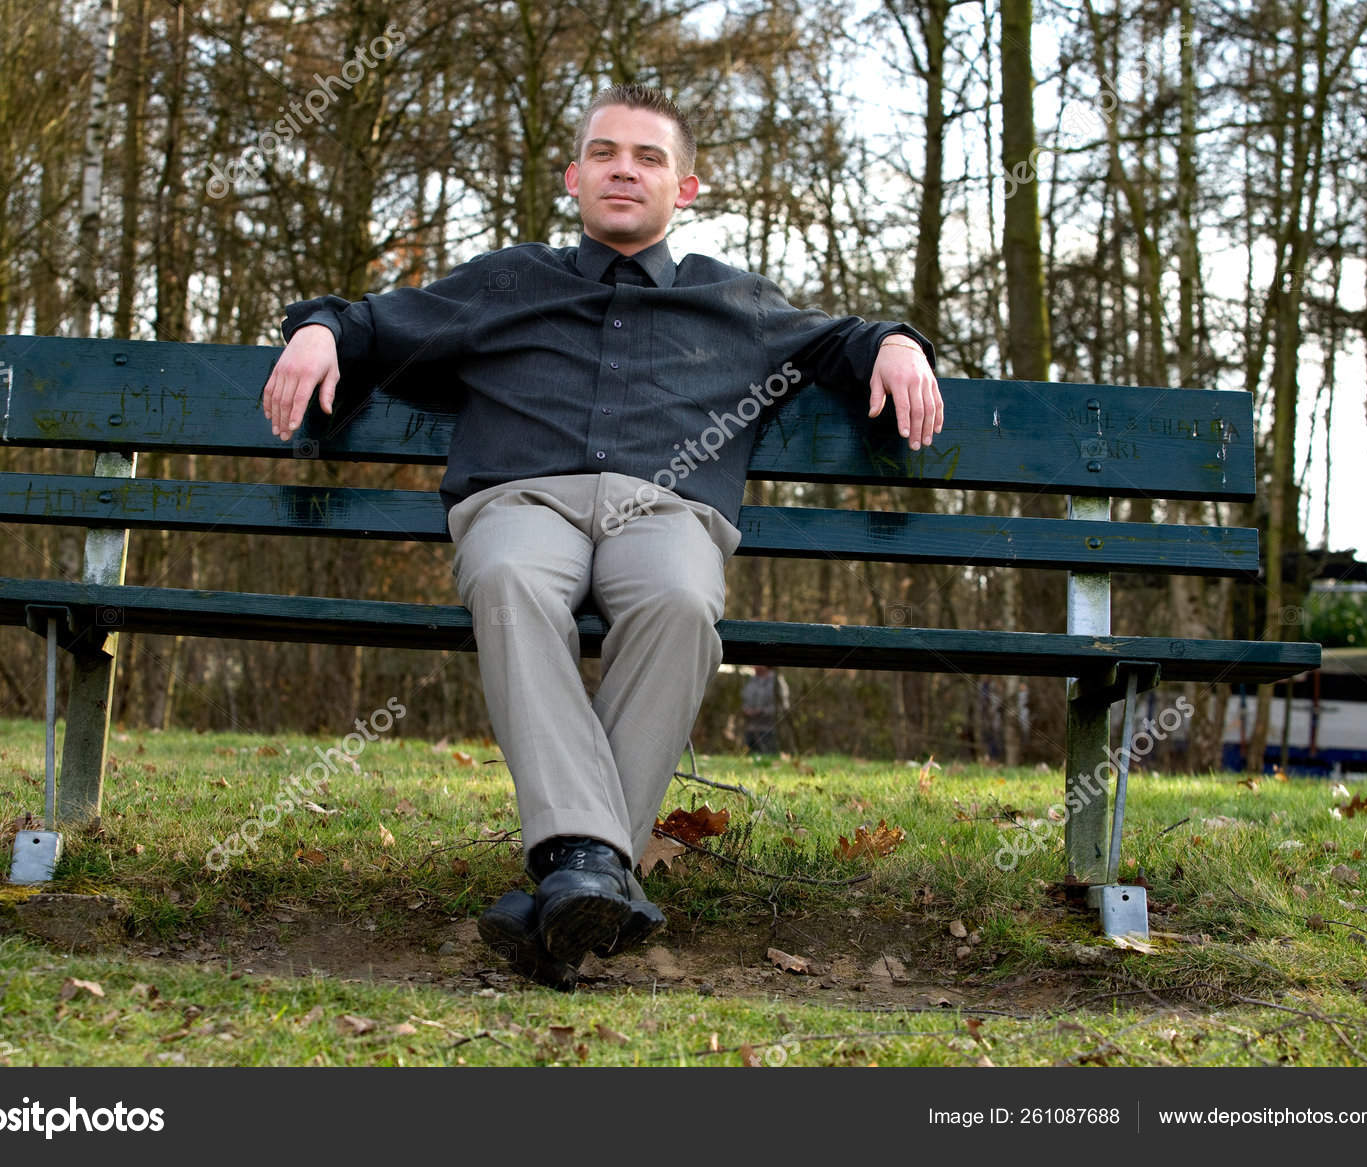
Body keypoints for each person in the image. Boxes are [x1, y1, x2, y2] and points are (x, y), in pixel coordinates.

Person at [261, 84, 941, 988]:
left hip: (668, 511)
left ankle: (573, 875)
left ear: (685, 189)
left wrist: (897, 342)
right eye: (608, 154)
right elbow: (375, 322)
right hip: (521, 501)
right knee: (506, 578)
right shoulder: (505, 282)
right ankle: (596, 866)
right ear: (576, 176)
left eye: (650, 157)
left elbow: (840, 340)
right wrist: (315, 328)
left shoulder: (734, 302)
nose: (627, 169)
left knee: (682, 600)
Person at [741, 665, 791, 754]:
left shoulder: (777, 681)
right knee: (749, 759)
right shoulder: (751, 681)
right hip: (751, 729)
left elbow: (783, 706)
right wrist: (746, 710)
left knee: (769, 757)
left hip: (769, 730)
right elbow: (745, 700)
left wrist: (762, 711)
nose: (754, 667)